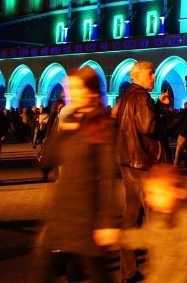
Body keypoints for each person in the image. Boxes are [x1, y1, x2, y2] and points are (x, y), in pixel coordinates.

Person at [36, 66, 117, 283]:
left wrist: (106, 222)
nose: (67, 93)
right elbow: (47, 161)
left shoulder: (102, 124)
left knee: (98, 275)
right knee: (42, 271)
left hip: (86, 216)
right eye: (66, 89)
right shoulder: (71, 121)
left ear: (89, 91)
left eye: (72, 88)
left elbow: (108, 176)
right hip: (61, 212)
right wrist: (58, 121)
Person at [114, 60, 172, 283]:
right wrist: (165, 116)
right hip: (145, 164)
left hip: (128, 162)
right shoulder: (140, 97)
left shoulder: (127, 97)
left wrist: (157, 105)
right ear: (137, 75)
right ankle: (160, 267)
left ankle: (128, 271)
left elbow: (136, 121)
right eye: (151, 73)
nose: (154, 77)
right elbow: (149, 127)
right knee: (155, 217)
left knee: (131, 216)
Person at [94, 164, 187, 283]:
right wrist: (118, 237)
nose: (150, 199)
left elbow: (186, 267)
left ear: (176, 192)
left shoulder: (186, 221)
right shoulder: (159, 216)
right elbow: (145, 236)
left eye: (157, 194)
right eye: (149, 193)